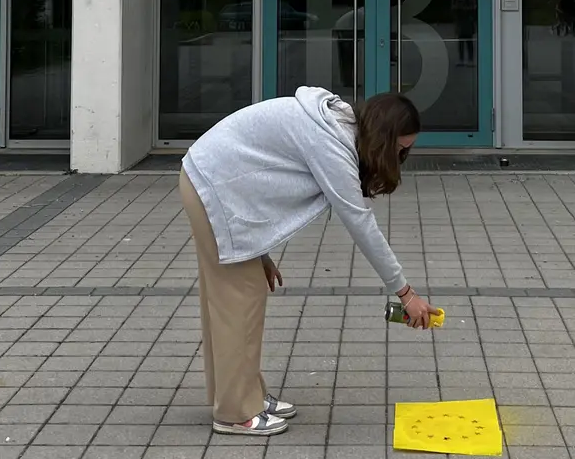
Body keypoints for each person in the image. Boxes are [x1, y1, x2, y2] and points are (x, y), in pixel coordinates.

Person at [178, 88, 437, 437]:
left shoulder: (337, 126)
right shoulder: (331, 144)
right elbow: (360, 222)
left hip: (213, 183)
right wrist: (406, 294)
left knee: (236, 301)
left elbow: (251, 174)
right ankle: (235, 412)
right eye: (400, 149)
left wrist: (259, 250)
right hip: (213, 188)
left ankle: (243, 395)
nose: (401, 157)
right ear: (383, 138)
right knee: (238, 303)